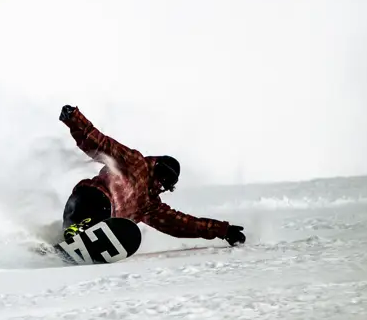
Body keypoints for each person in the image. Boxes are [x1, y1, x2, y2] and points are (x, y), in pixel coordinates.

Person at [58, 105, 246, 246]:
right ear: (157, 166)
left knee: (103, 220)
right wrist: (75, 119)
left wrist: (222, 230)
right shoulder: (134, 162)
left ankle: (67, 239)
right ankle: (79, 230)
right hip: (90, 198)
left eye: (166, 185)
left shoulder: (148, 206)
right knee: (103, 205)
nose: (160, 185)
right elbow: (102, 145)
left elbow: (181, 224)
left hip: (91, 217)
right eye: (162, 178)